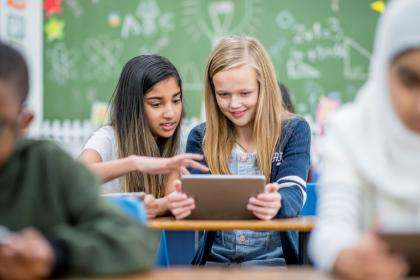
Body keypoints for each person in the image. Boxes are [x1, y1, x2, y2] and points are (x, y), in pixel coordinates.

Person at [0, 42, 161, 278]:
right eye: (157, 103)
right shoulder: (105, 138)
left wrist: (57, 253)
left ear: (23, 122)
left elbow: (136, 240)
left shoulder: (47, 167)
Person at [168, 36, 311, 266]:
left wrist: (277, 202)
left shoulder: (293, 130)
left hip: (274, 263)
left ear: (264, 88)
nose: (234, 104)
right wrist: (183, 203)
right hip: (214, 263)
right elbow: (201, 206)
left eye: (245, 93)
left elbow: (294, 192)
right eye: (223, 95)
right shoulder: (200, 137)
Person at [309, 1, 420, 279]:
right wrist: (345, 256)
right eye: (410, 80)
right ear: (383, 71)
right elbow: (330, 229)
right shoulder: (349, 131)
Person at [80, 55, 208, 218]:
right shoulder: (107, 138)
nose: (170, 113)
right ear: (133, 106)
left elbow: (173, 199)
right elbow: (75, 177)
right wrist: (134, 163)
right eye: (156, 104)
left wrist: (161, 205)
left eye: (176, 100)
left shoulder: (181, 140)